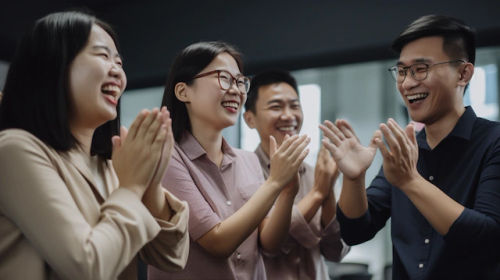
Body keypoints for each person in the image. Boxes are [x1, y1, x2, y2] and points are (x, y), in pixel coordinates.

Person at [0, 11, 189, 280]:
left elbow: (171, 256)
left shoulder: (108, 164)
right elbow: (87, 267)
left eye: (119, 62)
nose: (117, 71)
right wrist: (133, 186)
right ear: (53, 64)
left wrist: (151, 184)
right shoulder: (14, 150)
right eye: (102, 55)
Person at [320, 15, 500, 279]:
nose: (407, 83)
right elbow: (356, 231)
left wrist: (411, 182)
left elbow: (488, 238)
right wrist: (354, 178)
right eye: (402, 71)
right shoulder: (404, 152)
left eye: (420, 68)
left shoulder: (493, 141)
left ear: (463, 73)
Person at [148, 41, 309, 280]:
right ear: (183, 91)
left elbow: (270, 244)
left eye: (239, 81)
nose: (236, 90)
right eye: (224, 78)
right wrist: (275, 182)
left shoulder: (248, 161)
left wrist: (287, 191)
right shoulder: (165, 157)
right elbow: (217, 241)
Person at [243, 69, 349, 280]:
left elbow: (337, 252)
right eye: (276, 106)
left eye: (294, 105)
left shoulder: (316, 172)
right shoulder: (243, 171)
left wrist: (328, 194)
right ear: (249, 119)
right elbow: (269, 244)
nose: (288, 115)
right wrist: (318, 192)